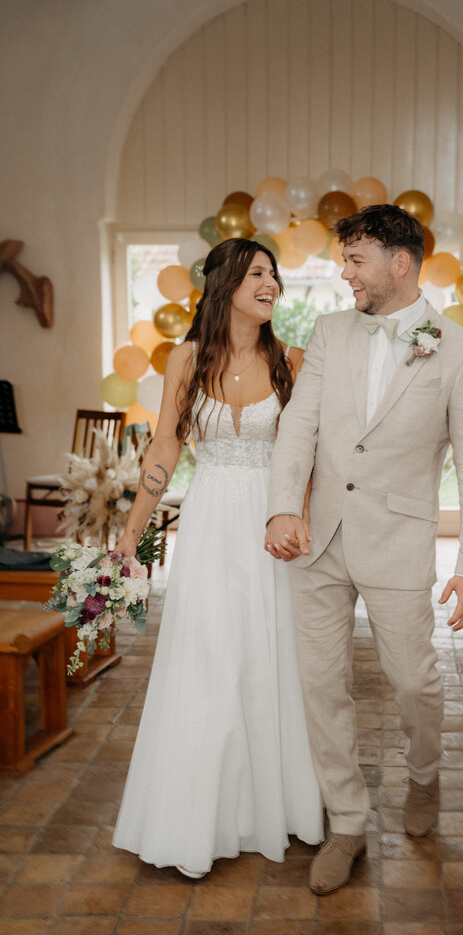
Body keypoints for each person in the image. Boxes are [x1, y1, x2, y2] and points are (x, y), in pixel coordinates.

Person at [265, 204, 463, 895]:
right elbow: (299, 426)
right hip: (317, 541)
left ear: (400, 263)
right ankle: (347, 821)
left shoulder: (460, 350)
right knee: (321, 687)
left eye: (356, 259)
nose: (345, 274)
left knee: (414, 683)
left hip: (399, 541)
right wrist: (283, 506)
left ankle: (424, 776)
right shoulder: (330, 332)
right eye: (344, 260)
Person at [113, 238, 323, 878]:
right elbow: (164, 449)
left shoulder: (291, 361)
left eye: (274, 275)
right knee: (206, 657)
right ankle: (198, 817)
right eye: (258, 273)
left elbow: (308, 454)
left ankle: (273, 806)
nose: (271, 284)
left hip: (269, 525)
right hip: (207, 525)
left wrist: (299, 517)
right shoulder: (185, 359)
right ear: (225, 282)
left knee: (267, 656)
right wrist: (131, 534)